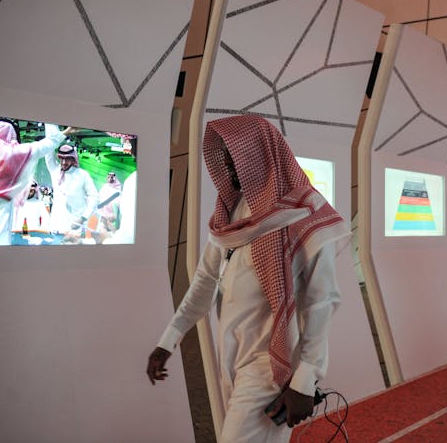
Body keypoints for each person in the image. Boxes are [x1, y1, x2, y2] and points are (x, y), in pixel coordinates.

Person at [146, 115, 350, 442]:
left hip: (272, 367)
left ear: (261, 156)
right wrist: (169, 340)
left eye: (237, 161)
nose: (231, 172)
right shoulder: (230, 216)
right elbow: (204, 281)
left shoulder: (306, 213)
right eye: (226, 163)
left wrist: (304, 381)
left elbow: (321, 303)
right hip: (232, 358)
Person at [45, 143, 99, 237]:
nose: (64, 162)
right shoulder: (55, 170)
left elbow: (94, 197)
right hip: (57, 225)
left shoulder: (83, 175)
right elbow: (49, 149)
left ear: (73, 159)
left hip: (76, 227)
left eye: (67, 159)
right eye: (61, 158)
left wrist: (83, 218)